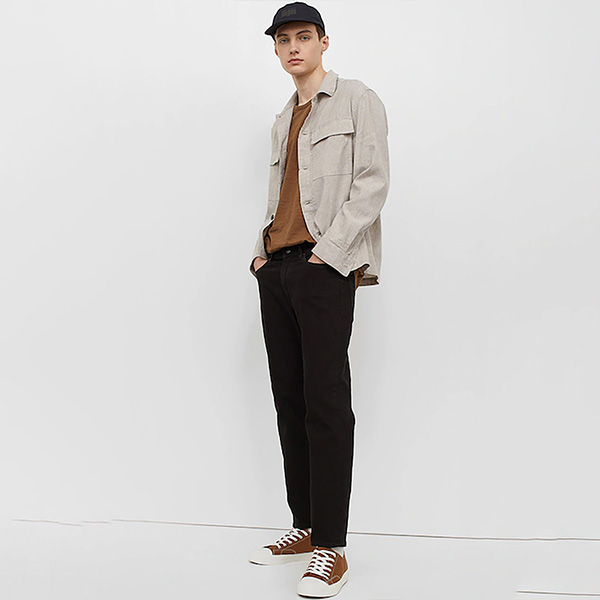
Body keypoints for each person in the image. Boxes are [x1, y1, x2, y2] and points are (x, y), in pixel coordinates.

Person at [247, 2, 390, 597]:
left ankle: (333, 546)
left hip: (324, 267)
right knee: (290, 400)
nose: (293, 48)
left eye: (303, 37)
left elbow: (372, 183)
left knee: (326, 404)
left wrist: (327, 256)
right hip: (277, 269)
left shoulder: (357, 99)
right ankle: (304, 526)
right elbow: (279, 195)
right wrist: (260, 255)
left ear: (323, 42)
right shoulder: (283, 118)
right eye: (283, 40)